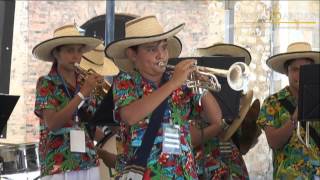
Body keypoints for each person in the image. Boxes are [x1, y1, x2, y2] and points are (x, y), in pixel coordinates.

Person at [105, 15, 224, 179]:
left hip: (184, 174)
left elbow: (216, 118)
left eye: (164, 47)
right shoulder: (126, 82)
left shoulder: (181, 83)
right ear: (132, 54)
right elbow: (129, 116)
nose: (161, 55)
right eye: (152, 49)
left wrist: (200, 84)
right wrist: (173, 83)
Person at [33, 24, 104, 180]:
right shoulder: (46, 83)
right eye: (70, 50)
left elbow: (88, 124)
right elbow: (53, 123)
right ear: (56, 53)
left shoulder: (84, 81)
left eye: (79, 50)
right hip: (58, 165)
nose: (76, 56)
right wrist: (82, 94)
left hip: (88, 162)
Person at [257, 42, 320, 179]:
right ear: (287, 72)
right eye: (295, 69)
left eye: (305, 69)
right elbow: (273, 142)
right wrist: (295, 117)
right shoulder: (272, 102)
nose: (300, 74)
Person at [191, 43, 255, 179]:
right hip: (203, 164)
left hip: (232, 166)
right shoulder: (195, 93)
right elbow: (190, 138)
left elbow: (244, 146)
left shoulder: (240, 98)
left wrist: (245, 120)